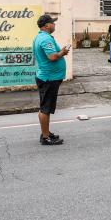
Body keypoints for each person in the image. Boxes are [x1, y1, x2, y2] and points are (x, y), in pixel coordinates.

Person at [33, 14, 69, 145]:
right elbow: (53, 57)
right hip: (49, 78)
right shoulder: (45, 39)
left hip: (47, 76)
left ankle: (45, 133)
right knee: (45, 109)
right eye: (52, 23)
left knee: (45, 107)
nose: (54, 25)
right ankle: (45, 137)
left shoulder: (41, 37)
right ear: (47, 25)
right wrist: (63, 52)